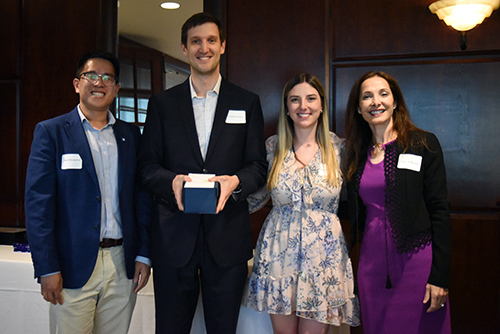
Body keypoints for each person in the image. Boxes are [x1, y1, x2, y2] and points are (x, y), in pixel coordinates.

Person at [137, 12, 267, 334]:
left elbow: (258, 167)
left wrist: (235, 181)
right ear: (184, 47)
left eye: (211, 40)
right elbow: (146, 168)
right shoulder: (162, 105)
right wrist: (173, 182)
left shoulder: (247, 102)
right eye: (196, 41)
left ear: (223, 46)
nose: (203, 48)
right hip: (173, 240)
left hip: (227, 240)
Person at [24, 50, 151, 334]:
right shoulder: (52, 132)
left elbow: (141, 198)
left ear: (116, 88)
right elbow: (38, 206)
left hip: (122, 262)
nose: (99, 82)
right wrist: (47, 267)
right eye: (91, 75)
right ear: (76, 84)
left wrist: (144, 253)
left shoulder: (130, 136)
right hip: (71, 266)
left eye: (108, 77)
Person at [244, 73, 360, 334]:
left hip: (324, 257)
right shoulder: (273, 147)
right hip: (278, 254)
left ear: (321, 105)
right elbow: (258, 196)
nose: (303, 106)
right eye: (295, 100)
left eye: (310, 99)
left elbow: (358, 197)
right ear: (287, 107)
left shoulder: (339, 148)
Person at [342, 71, 452, 333]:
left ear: (395, 103)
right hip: (371, 265)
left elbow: (440, 212)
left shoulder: (423, 144)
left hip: (417, 263)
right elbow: (352, 210)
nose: (375, 102)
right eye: (366, 97)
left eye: (383, 94)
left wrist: (440, 277)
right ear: (358, 108)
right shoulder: (355, 154)